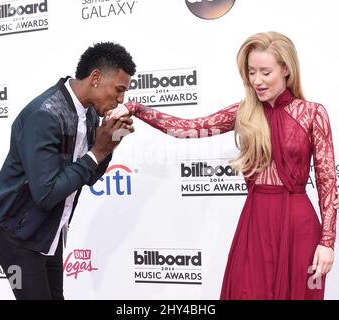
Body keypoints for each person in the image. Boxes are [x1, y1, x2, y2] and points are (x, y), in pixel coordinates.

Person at [109, 32, 338, 300]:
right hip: (256, 222)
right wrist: (136, 108)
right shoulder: (245, 112)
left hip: (299, 225)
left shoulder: (312, 113)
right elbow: (188, 129)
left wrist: (327, 242)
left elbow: (328, 183)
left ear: (286, 69)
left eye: (266, 72)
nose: (257, 81)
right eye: (251, 72)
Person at [0, 42, 136, 300]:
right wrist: (99, 151)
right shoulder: (45, 114)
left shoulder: (89, 114)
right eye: (119, 90)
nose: (120, 99)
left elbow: (90, 176)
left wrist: (109, 143)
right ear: (95, 77)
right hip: (17, 239)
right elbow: (46, 194)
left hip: (50, 235)